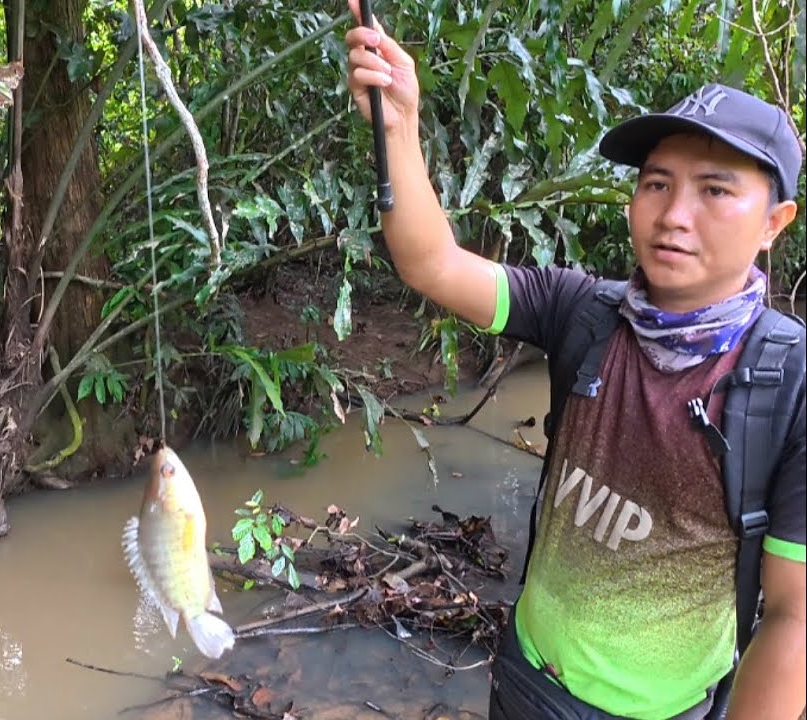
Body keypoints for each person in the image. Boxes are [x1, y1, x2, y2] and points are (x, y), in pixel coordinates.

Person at [343, 5, 806, 720]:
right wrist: (399, 124)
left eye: (715, 190)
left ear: (776, 221)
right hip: (527, 677)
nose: (674, 213)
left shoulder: (790, 382)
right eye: (655, 183)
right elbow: (432, 261)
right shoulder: (583, 310)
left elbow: (793, 618)